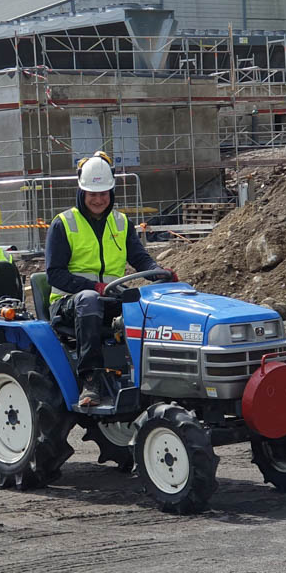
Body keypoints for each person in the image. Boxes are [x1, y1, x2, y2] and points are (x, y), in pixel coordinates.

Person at [46, 154, 172, 410]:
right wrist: (92, 287)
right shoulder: (63, 224)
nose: (98, 199)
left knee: (146, 304)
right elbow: (54, 274)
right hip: (70, 302)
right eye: (92, 193)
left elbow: (139, 257)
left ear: (111, 192)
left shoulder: (121, 222)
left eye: (103, 193)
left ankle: (152, 374)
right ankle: (90, 379)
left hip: (109, 297)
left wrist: (157, 271)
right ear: (81, 191)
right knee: (89, 301)